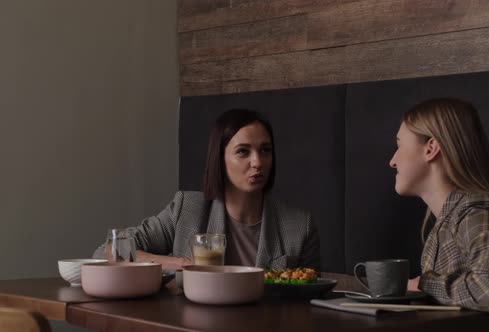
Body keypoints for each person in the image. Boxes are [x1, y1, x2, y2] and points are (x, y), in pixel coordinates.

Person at [389, 98, 489, 331]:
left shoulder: (477, 212)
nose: (392, 161)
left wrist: (424, 284)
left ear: (431, 148)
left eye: (399, 145)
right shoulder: (449, 219)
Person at [93, 109, 320, 271]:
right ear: (219, 160)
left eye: (265, 150)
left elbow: (311, 304)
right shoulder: (187, 209)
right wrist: (180, 264)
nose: (257, 162)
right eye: (243, 151)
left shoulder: (300, 227)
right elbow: (108, 250)